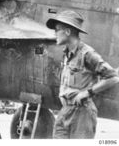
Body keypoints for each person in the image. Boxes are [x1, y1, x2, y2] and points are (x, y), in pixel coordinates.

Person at [46, 10, 119, 139]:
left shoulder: (87, 54)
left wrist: (87, 93)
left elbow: (113, 77)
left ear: (67, 32)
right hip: (65, 112)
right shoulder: (67, 54)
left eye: (57, 30)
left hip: (82, 114)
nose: (55, 33)